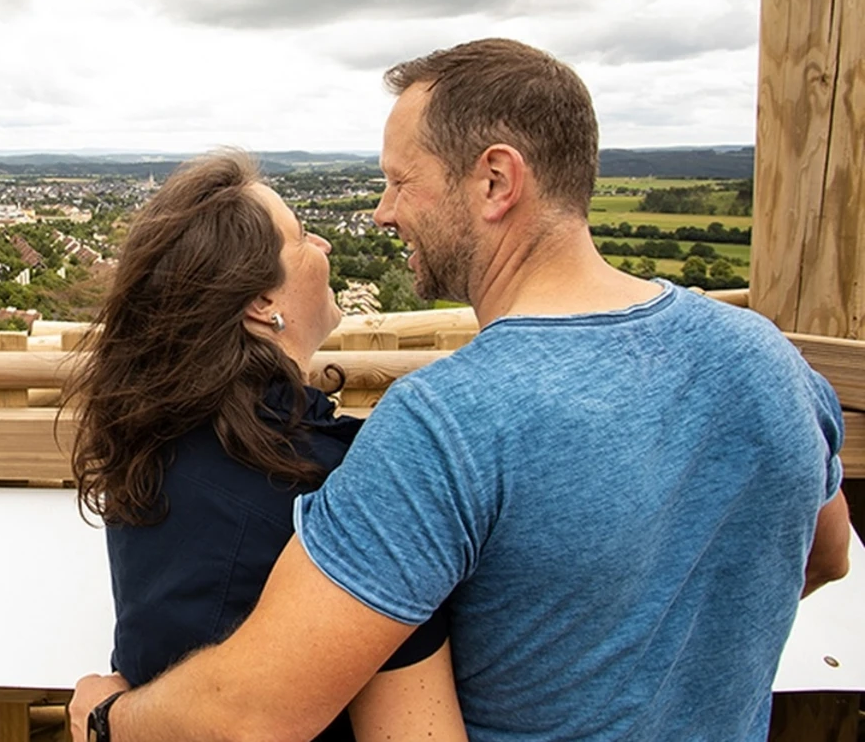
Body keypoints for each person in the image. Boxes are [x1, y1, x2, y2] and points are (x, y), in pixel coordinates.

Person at [70, 39, 850, 742]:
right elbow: (825, 553)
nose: (381, 213)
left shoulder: (443, 427)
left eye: (400, 182)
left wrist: (108, 717)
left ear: (495, 180)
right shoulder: (769, 360)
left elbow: (256, 710)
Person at [67, 151, 465, 741]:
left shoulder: (148, 444)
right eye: (303, 238)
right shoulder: (335, 482)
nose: (325, 247)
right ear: (261, 301)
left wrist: (108, 722)